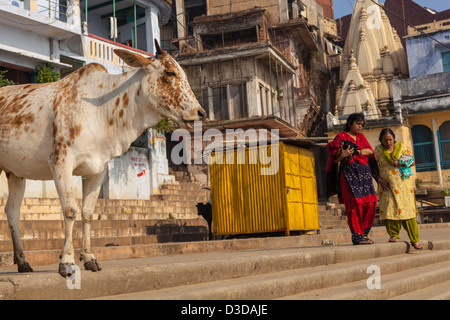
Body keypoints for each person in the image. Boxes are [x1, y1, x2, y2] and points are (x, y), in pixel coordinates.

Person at [327, 113, 378, 245]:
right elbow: (334, 157)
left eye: (362, 124)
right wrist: (343, 154)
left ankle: (364, 234)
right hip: (349, 175)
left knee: (370, 203)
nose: (360, 127)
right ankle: (357, 236)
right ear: (350, 123)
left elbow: (370, 152)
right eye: (358, 123)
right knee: (354, 205)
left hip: (364, 175)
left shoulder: (361, 137)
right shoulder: (341, 137)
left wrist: (358, 152)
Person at [374, 128, 422, 249]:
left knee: (408, 212)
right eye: (385, 140)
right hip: (386, 185)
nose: (388, 142)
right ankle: (394, 235)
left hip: (403, 185)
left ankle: (415, 240)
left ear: (394, 138)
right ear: (381, 141)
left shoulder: (402, 148)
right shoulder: (378, 150)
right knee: (390, 210)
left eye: (390, 139)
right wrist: (379, 180)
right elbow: (373, 168)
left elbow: (412, 162)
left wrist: (399, 163)